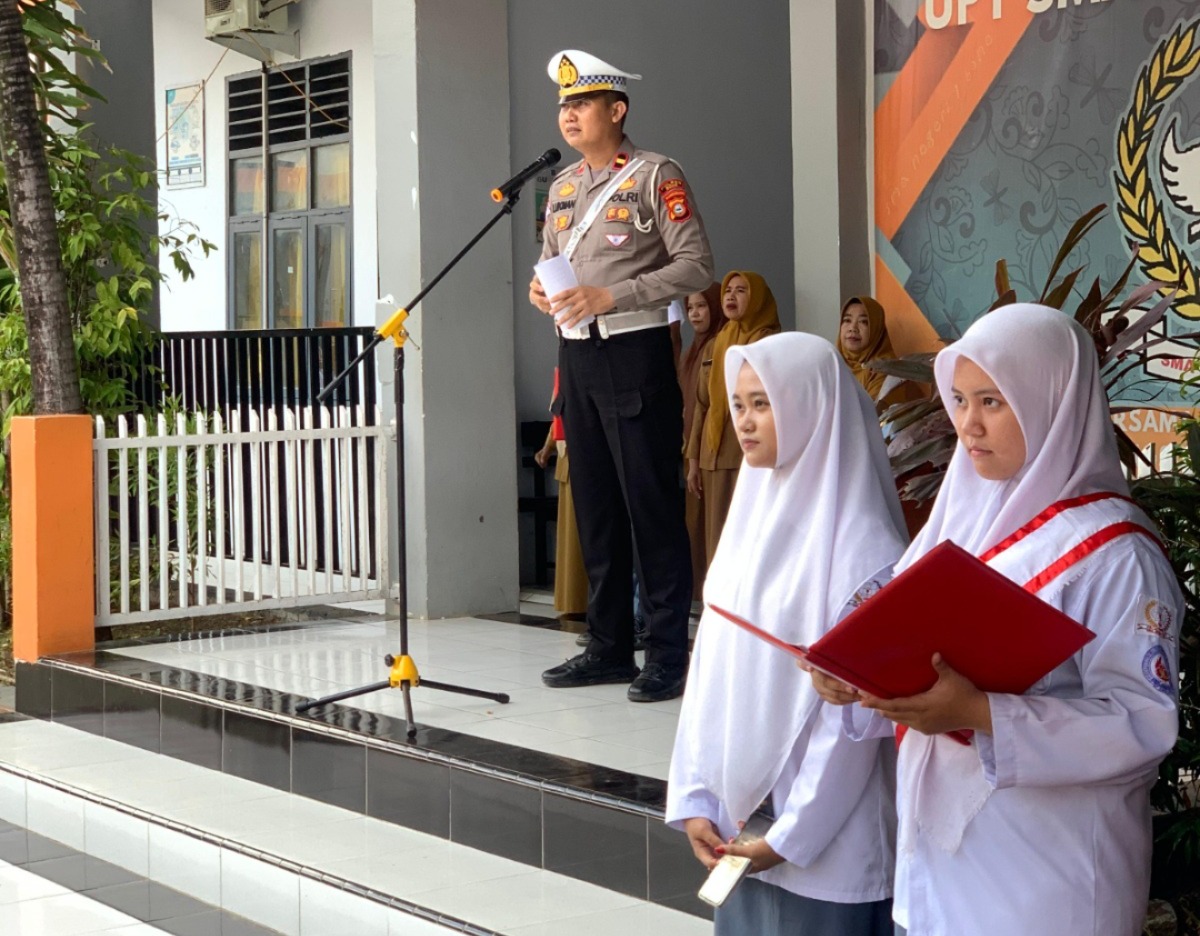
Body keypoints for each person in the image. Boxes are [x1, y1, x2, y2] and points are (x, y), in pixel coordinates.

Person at [804, 304, 1184, 936]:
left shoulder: (1119, 554)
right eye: (958, 400)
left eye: (993, 402)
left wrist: (982, 713)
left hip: (1049, 880)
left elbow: (1142, 724)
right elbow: (911, 659)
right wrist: (853, 678)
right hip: (939, 867)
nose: (968, 425)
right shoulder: (958, 519)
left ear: (1051, 401)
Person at [668, 333, 906, 936]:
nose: (744, 422)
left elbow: (854, 722)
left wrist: (792, 833)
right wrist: (697, 797)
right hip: (738, 830)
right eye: (739, 404)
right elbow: (711, 671)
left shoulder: (866, 552)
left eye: (763, 404)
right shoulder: (746, 526)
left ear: (812, 406)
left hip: (830, 848)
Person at [530, 50, 714, 703]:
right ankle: (606, 647)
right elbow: (553, 264)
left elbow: (695, 266)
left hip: (635, 352)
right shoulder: (560, 189)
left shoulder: (654, 176)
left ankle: (666, 651)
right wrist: (541, 291)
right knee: (597, 505)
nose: (569, 114)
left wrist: (616, 296)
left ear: (617, 110)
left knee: (650, 505)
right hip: (577, 355)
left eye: (582, 103)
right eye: (563, 105)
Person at [685, 271, 780, 566]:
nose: (730, 296)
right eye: (728, 290)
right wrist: (693, 460)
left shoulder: (770, 343)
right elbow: (703, 404)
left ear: (757, 299)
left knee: (748, 535)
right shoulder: (717, 343)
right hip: (712, 453)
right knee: (716, 536)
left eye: (740, 290)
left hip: (749, 453)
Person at [678, 283, 725, 599]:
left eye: (702, 306)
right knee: (695, 527)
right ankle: (698, 593)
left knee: (714, 525)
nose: (695, 314)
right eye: (691, 308)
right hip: (690, 448)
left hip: (713, 449)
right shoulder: (691, 351)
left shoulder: (721, 345)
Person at [533, 369, 588, 624]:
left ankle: (584, 601)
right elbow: (558, 416)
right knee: (568, 536)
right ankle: (571, 601)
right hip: (567, 456)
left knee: (582, 535)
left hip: (585, 454)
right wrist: (547, 449)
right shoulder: (564, 371)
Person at [837, 296, 911, 412]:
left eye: (863, 322)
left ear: (876, 329)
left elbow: (871, 414)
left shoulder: (888, 370)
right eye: (847, 320)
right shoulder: (833, 363)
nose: (853, 328)